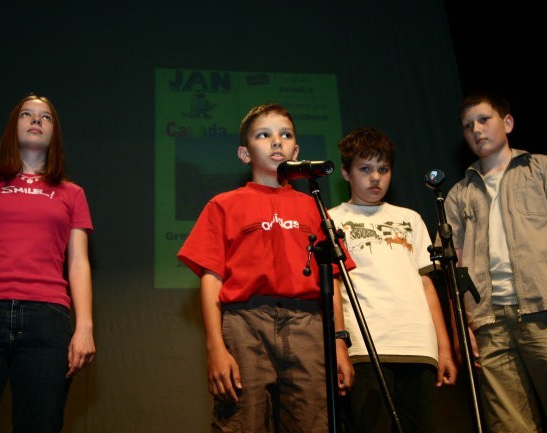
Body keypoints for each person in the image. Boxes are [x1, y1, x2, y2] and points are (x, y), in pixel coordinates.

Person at [177, 102, 355, 433]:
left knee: (312, 420)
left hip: (308, 325)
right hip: (245, 324)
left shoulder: (313, 207)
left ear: (296, 149)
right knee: (244, 420)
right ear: (244, 153)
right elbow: (211, 280)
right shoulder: (223, 205)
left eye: (285, 135)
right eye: (264, 135)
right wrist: (215, 347)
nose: (276, 142)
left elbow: (333, 281)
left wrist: (340, 343)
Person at [444, 90, 547, 432]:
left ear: (507, 122)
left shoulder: (543, 168)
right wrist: (461, 324)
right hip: (488, 323)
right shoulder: (460, 194)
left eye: (484, 120)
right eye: (467, 125)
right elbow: (452, 265)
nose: (476, 130)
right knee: (508, 426)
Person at [0, 94, 96, 433]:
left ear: (54, 133)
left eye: (45, 117)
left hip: (46, 321)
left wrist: (85, 326)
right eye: (27, 115)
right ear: (13, 126)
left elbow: (78, 263)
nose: (36, 121)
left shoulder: (71, 192)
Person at [328, 127, 457, 433]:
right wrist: (339, 346)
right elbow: (333, 287)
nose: (375, 178)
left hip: (417, 344)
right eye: (365, 169)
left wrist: (444, 347)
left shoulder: (410, 218)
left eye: (383, 169)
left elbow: (426, 284)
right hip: (366, 345)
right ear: (346, 173)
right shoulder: (332, 219)